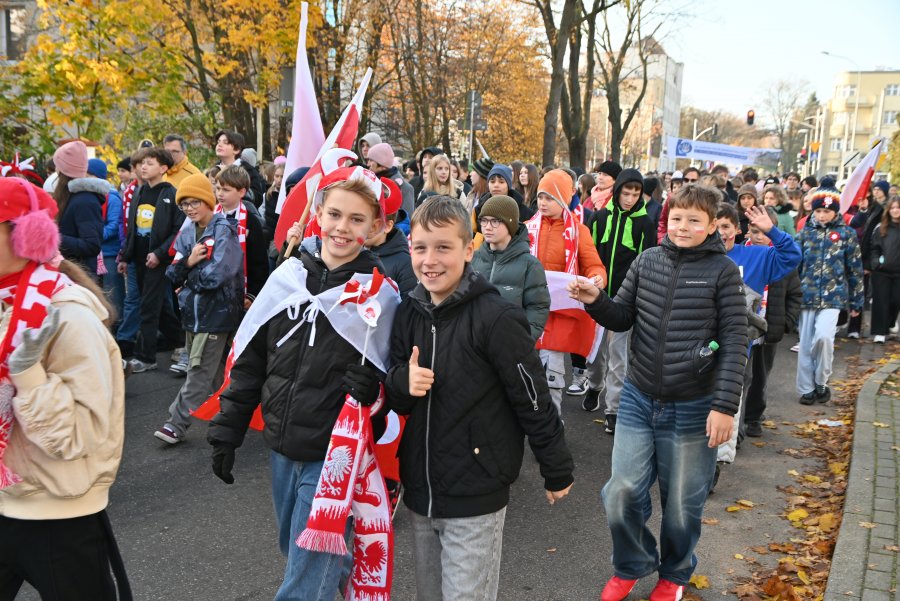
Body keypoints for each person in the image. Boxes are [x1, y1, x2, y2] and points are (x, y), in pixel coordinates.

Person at [208, 166, 391, 601]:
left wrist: (376, 393)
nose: (342, 227)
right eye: (334, 214)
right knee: (304, 554)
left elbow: (391, 380)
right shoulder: (286, 278)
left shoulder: (379, 295)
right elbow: (251, 364)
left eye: (357, 219)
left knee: (307, 572)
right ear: (318, 216)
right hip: (280, 444)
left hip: (333, 455)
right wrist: (226, 429)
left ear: (375, 228)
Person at [384, 195, 573, 601]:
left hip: (476, 491)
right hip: (422, 488)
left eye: (443, 247)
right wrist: (403, 381)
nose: (429, 259)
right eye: (420, 247)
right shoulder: (408, 312)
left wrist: (555, 466)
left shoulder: (497, 317)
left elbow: (532, 396)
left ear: (469, 250)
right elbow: (393, 391)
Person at [567, 183, 748, 601]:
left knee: (683, 503)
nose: (684, 227)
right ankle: (632, 564)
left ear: (710, 226)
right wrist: (596, 299)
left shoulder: (722, 273)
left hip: (695, 405)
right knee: (621, 491)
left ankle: (675, 574)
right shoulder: (648, 261)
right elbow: (622, 316)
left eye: (695, 221)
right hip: (638, 397)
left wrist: (724, 406)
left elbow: (735, 342)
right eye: (678, 218)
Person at [0, 177, 130, 600]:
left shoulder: (69, 317)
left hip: (56, 515)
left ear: (25, 236)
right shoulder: (5, 301)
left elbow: (78, 435)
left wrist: (27, 374)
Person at [155, 173, 243, 444]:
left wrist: (187, 274)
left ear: (208, 200)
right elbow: (171, 274)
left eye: (195, 202)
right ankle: (235, 418)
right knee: (217, 375)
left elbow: (217, 276)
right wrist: (189, 265)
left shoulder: (224, 230)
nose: (190, 208)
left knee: (199, 372)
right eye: (184, 204)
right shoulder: (186, 233)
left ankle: (175, 424)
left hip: (217, 315)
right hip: (193, 315)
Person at [714, 203, 801, 454]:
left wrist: (772, 231)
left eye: (726, 227)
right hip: (701, 345)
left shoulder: (755, 256)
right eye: (716, 226)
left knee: (733, 397)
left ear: (737, 230)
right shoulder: (700, 256)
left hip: (738, 346)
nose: (721, 233)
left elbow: (792, 257)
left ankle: (722, 455)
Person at [578, 170, 656, 429]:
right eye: (626, 192)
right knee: (596, 352)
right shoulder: (599, 218)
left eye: (636, 193)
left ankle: (614, 409)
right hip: (598, 295)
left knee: (619, 355)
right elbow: (588, 254)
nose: (631, 198)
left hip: (626, 299)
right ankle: (595, 385)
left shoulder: (645, 224)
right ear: (618, 190)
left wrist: (639, 296)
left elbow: (648, 263)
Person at [528, 169, 606, 418]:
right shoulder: (526, 229)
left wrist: (597, 279)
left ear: (562, 198)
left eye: (549, 197)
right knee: (527, 372)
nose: (543, 203)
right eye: (540, 197)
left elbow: (593, 264)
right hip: (529, 310)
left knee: (553, 374)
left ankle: (552, 426)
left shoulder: (579, 231)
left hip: (560, 312)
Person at [118, 147, 185, 373]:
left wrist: (159, 253)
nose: (143, 167)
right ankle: (181, 340)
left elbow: (178, 230)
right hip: (138, 258)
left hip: (158, 259)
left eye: (150, 163)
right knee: (161, 306)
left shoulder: (171, 194)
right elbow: (131, 228)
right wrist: (125, 256)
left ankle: (146, 356)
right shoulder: (139, 191)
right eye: (142, 163)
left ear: (163, 168)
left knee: (147, 306)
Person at [796, 188, 863, 404]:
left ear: (835, 212)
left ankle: (821, 380)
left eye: (827, 211)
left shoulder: (847, 234)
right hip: (806, 297)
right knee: (805, 344)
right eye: (819, 211)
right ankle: (806, 388)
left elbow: (854, 269)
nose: (822, 215)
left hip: (833, 297)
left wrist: (857, 300)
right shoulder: (805, 233)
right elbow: (796, 266)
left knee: (824, 338)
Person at [743, 208, 802, 436]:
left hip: (768, 329)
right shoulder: (741, 255)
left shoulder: (781, 261)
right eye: (753, 230)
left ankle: (754, 416)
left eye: (763, 232)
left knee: (761, 375)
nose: (757, 236)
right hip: (743, 328)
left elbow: (795, 294)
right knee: (741, 375)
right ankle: (736, 421)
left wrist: (785, 322)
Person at [471, 195, 550, 340]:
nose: (487, 227)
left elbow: (538, 308)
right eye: (484, 220)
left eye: (495, 221)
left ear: (510, 224)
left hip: (510, 347)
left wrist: (522, 342)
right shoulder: (473, 259)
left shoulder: (530, 265)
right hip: (474, 347)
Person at [52, 141, 104, 279]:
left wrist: (53, 237)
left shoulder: (85, 200)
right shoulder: (70, 196)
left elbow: (91, 245)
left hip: (79, 277)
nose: (55, 169)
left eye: (57, 166)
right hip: (68, 273)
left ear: (62, 170)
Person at [365, 177, 417, 299]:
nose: (360, 229)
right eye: (358, 220)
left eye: (372, 224)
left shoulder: (405, 263)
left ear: (388, 226)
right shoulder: (353, 251)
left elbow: (407, 307)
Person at [88, 159, 125, 327]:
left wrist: (92, 235)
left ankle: (117, 326)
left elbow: (114, 225)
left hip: (109, 253)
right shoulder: (88, 196)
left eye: (89, 175)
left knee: (113, 293)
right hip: (94, 251)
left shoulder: (112, 198)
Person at [869, 197, 900, 343]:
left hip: (898, 273)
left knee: (895, 301)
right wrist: (875, 262)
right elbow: (874, 248)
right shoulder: (881, 227)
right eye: (892, 207)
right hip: (881, 272)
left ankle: (891, 322)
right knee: (881, 301)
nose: (895, 210)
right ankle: (879, 332)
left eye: (898, 207)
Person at [213, 130, 266, 205]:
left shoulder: (248, 170)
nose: (219, 145)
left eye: (225, 142)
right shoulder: (214, 170)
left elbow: (257, 198)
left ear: (237, 149)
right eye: (218, 142)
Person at [367, 142, 415, 222]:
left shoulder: (405, 188)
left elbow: (407, 222)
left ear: (382, 163)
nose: (368, 164)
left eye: (371, 160)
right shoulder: (370, 181)